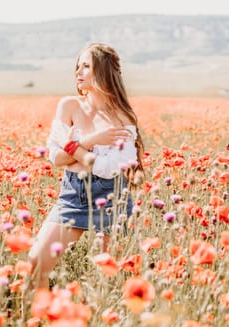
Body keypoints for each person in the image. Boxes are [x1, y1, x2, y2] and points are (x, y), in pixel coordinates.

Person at [28, 42, 145, 290]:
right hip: (73, 196)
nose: (78, 72)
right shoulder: (69, 106)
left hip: (113, 196)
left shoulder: (123, 117)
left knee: (112, 278)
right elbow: (56, 158)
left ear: (102, 71)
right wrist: (93, 141)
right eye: (77, 66)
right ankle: (37, 322)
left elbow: (108, 168)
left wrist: (73, 146)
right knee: (35, 263)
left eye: (85, 66)